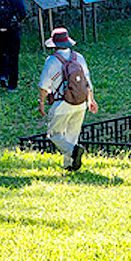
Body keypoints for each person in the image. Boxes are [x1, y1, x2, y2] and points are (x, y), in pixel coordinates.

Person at [37, 26, 97, 171]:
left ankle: (73, 152)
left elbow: (43, 86)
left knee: (54, 134)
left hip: (61, 104)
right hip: (81, 102)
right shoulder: (78, 58)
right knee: (72, 135)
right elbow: (87, 81)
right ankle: (69, 164)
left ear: (55, 44)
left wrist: (42, 103)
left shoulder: (52, 61)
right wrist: (91, 100)